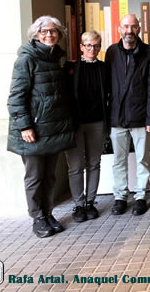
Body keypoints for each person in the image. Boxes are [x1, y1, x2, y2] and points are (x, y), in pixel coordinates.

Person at [7, 16, 75, 238]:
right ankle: (37, 218)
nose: (49, 35)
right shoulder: (27, 59)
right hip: (33, 131)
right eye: (44, 31)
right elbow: (16, 97)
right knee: (35, 177)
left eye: (53, 31)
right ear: (35, 34)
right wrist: (25, 126)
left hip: (51, 130)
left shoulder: (55, 57)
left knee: (50, 176)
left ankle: (48, 213)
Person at [106, 14, 150, 216]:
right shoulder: (111, 52)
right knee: (118, 160)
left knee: (142, 160)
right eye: (126, 26)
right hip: (117, 118)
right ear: (119, 29)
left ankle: (140, 196)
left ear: (139, 29)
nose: (129, 30)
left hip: (141, 118)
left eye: (133, 27)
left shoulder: (149, 53)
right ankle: (120, 197)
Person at [63, 30, 109, 223]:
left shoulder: (104, 68)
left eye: (96, 45)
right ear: (81, 47)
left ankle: (90, 202)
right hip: (74, 124)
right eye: (88, 45)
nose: (92, 49)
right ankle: (78, 204)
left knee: (94, 163)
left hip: (97, 122)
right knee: (75, 166)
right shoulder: (70, 68)